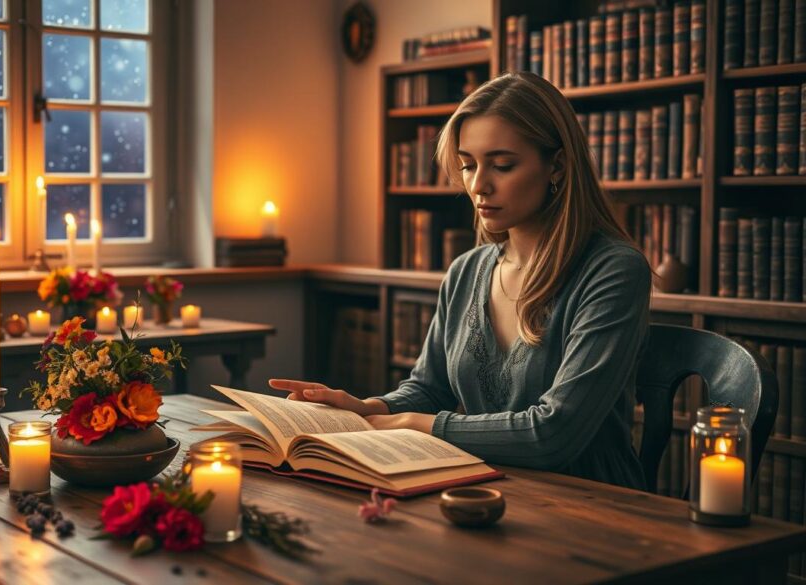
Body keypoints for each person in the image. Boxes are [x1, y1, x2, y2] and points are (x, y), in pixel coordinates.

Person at [271, 72, 650, 490]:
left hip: (594, 503)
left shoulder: (613, 270)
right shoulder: (467, 271)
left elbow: (555, 433)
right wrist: (366, 407)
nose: (477, 185)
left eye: (502, 165)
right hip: (489, 487)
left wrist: (412, 423)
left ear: (557, 165)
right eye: (468, 165)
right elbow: (428, 388)